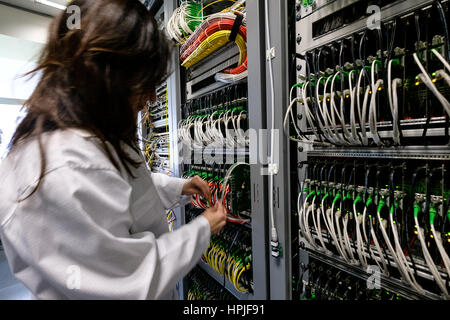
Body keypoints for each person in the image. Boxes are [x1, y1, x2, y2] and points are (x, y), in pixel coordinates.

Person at [0, 0, 226, 300]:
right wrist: (202, 230)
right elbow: (130, 281)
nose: (150, 100)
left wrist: (179, 187)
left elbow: (118, 192)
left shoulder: (84, 138)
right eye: (145, 84)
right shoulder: (62, 170)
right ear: (109, 75)